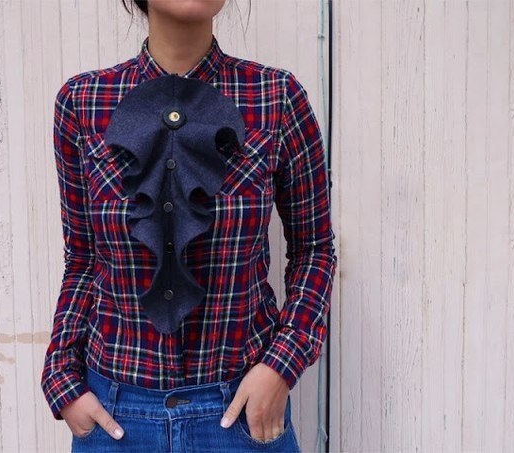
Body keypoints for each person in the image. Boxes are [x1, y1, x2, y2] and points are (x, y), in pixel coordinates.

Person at [41, 0, 336, 451]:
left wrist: (281, 365)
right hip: (115, 419)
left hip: (241, 415)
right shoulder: (84, 102)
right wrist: (61, 376)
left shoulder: (275, 97)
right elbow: (82, 258)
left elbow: (314, 249)